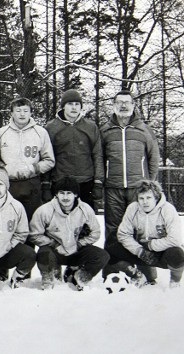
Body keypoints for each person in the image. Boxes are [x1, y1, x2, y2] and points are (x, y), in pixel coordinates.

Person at [100, 90, 161, 281]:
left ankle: (146, 271)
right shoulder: (105, 130)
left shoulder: (144, 130)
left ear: (134, 106)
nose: (124, 106)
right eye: (120, 102)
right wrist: (102, 181)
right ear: (114, 106)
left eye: (127, 102)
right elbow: (99, 159)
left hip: (138, 189)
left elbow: (154, 157)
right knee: (113, 229)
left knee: (140, 229)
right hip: (114, 188)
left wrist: (148, 184)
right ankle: (112, 271)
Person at [29, 176, 109, 290]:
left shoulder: (85, 209)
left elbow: (95, 232)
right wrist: (53, 244)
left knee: (102, 255)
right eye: (62, 193)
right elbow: (34, 234)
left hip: (76, 250)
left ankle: (79, 277)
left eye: (69, 193)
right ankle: (50, 279)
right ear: (56, 194)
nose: (65, 197)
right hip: (55, 252)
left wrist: (80, 244)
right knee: (43, 253)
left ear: (75, 194)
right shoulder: (45, 210)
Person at [108, 180, 184, 288]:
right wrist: (140, 251)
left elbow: (175, 239)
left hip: (163, 250)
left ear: (156, 198)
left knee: (178, 254)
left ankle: (175, 281)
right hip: (141, 250)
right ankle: (137, 275)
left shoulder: (167, 209)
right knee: (111, 249)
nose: (145, 202)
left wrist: (151, 245)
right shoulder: (133, 208)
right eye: (141, 198)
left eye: (149, 198)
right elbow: (123, 234)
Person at [0, 97, 55, 221]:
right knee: (10, 220)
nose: (22, 114)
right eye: (18, 110)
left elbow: (49, 160)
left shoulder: (40, 132)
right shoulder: (1, 133)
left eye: (25, 110)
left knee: (31, 220)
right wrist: (5, 170)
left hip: (32, 182)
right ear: (11, 113)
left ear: (31, 112)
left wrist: (34, 168)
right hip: (9, 184)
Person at [43, 89, 104, 209]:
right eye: (70, 104)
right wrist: (45, 183)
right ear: (63, 107)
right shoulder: (51, 127)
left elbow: (97, 155)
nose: (74, 107)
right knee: (60, 221)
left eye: (77, 104)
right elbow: (46, 156)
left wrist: (98, 182)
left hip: (85, 182)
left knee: (84, 221)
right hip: (60, 182)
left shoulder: (90, 127)